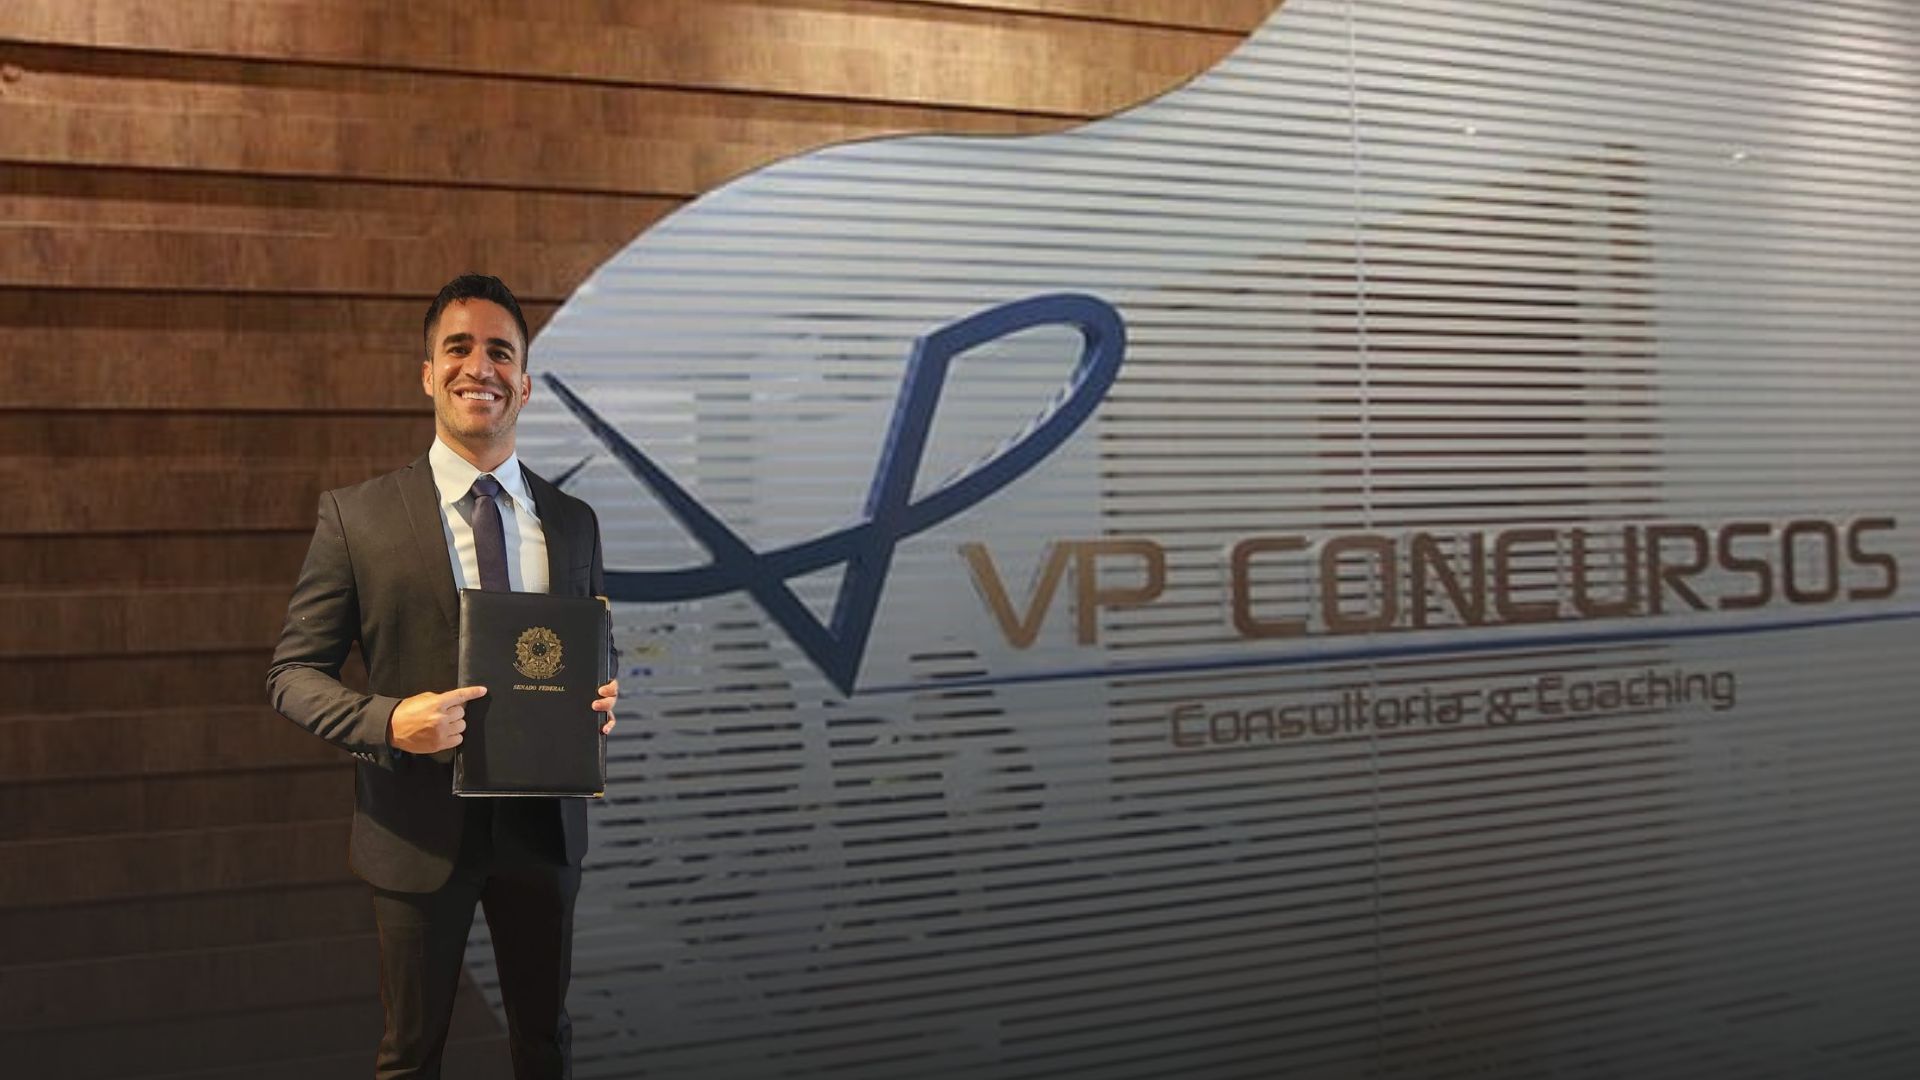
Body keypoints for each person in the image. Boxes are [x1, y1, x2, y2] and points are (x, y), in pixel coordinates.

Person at [267, 274, 618, 1079]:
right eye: (458, 348)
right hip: (416, 831)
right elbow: (292, 673)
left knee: (546, 1045)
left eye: (501, 352)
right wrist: (390, 722)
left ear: (524, 382)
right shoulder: (357, 517)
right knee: (410, 1058)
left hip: (543, 829)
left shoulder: (573, 522)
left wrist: (603, 691)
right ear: (429, 374)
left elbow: (593, 646)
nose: (479, 367)